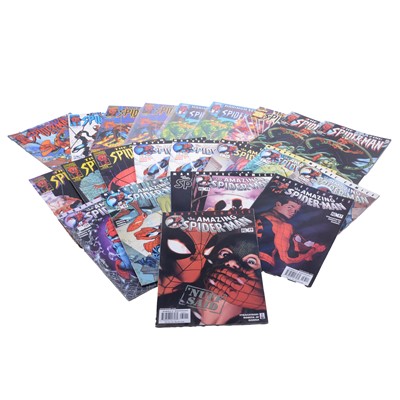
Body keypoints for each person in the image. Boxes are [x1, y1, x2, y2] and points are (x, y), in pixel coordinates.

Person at [257, 197, 326, 275]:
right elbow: (287, 258)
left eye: (296, 211)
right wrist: (313, 251)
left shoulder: (257, 215)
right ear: (278, 204)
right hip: (263, 262)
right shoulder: (284, 226)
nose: (293, 212)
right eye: (290, 207)